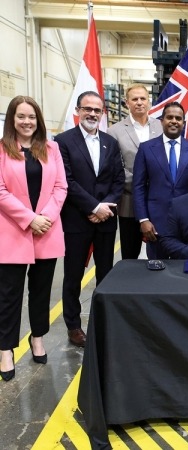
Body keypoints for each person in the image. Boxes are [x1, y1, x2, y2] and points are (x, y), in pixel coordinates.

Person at [0, 96, 68, 380]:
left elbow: (61, 187)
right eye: (21, 116)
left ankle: (37, 337)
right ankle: (5, 349)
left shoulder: (52, 148)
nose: (27, 122)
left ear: (38, 120)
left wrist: (46, 217)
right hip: (13, 231)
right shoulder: (2, 149)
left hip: (46, 230)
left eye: (31, 117)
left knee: (41, 292)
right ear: (12, 120)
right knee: (8, 295)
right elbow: (0, 190)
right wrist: (30, 218)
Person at [54, 91, 125, 347]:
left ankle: (103, 321)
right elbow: (66, 180)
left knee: (105, 274)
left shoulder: (110, 142)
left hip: (106, 220)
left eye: (97, 110)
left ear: (102, 113)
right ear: (78, 110)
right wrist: (93, 207)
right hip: (76, 219)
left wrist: (104, 208)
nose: (92, 114)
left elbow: (118, 180)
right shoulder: (62, 141)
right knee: (73, 276)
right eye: (88, 109)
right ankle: (73, 326)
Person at [132, 102, 188, 259]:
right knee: (157, 269)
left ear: (184, 123)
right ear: (162, 121)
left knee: (184, 269)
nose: (174, 121)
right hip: (155, 225)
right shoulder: (146, 148)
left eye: (178, 118)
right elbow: (138, 187)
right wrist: (143, 219)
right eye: (170, 117)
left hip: (187, 224)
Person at [107, 83, 162, 259]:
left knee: (160, 254)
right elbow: (116, 168)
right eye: (134, 99)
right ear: (127, 103)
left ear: (149, 102)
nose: (139, 102)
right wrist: (142, 182)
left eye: (143, 98)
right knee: (130, 256)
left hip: (158, 202)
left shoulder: (161, 127)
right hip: (129, 202)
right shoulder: (114, 131)